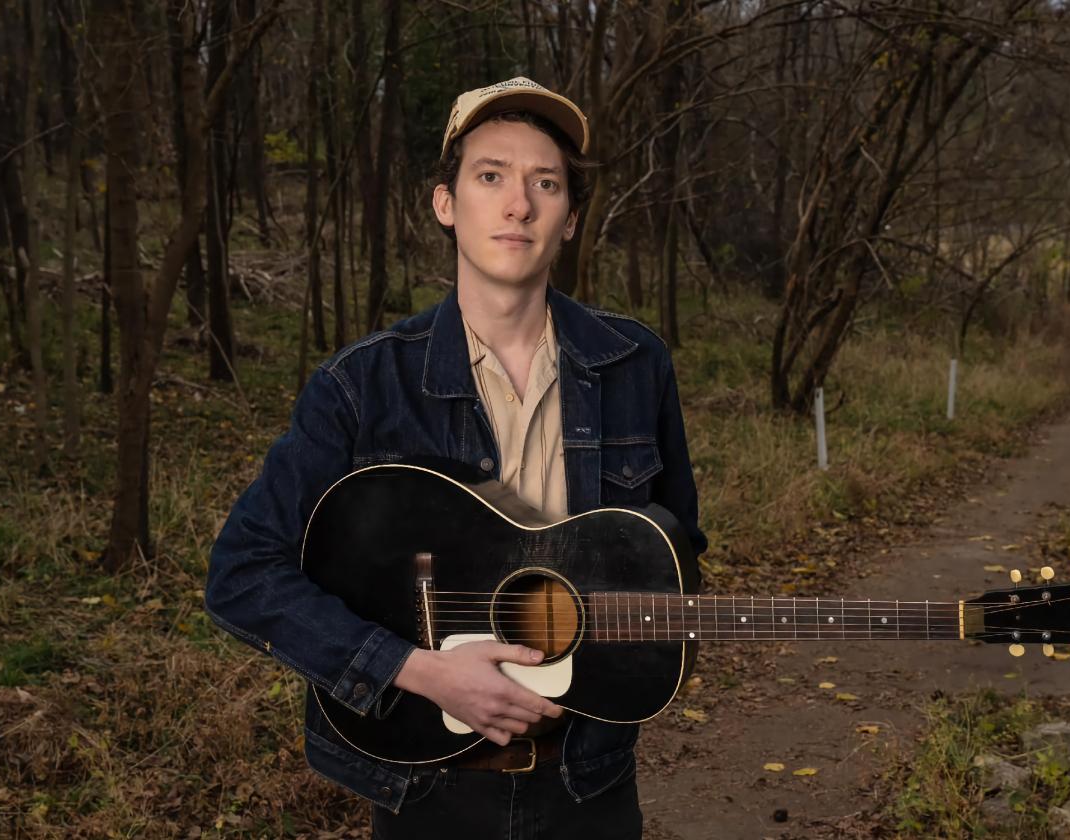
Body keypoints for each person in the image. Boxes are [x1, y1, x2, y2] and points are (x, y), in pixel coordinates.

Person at [205, 77, 706, 840]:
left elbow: (677, 557)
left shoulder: (635, 363)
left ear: (569, 217)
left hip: (589, 782)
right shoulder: (362, 384)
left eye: (546, 183)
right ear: (446, 204)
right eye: (491, 176)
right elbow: (242, 573)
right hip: (424, 789)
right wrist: (415, 669)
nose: (519, 205)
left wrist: (639, 643)